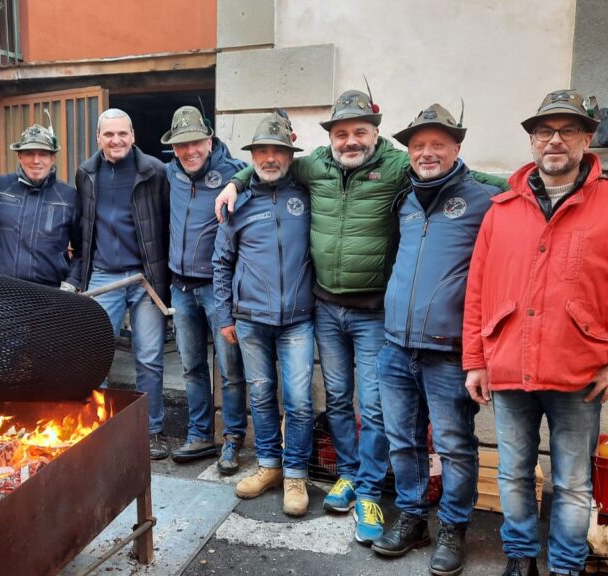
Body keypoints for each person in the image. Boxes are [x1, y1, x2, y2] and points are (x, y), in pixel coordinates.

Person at [216, 89, 504, 542]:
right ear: (330, 138)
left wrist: (527, 182)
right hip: (326, 309)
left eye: (360, 132)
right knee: (337, 399)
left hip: (373, 314)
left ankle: (368, 488)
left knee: (372, 406)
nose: (350, 141)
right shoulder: (314, 166)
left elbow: (460, 174)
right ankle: (349, 475)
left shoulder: (398, 166)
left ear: (376, 133)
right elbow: (272, 162)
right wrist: (237, 179)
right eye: (341, 133)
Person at [463, 89, 608, 576]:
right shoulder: (502, 209)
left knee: (574, 482)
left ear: (586, 139)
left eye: (567, 130)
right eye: (544, 131)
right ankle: (520, 558)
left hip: (580, 374)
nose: (554, 140)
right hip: (510, 367)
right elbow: (477, 290)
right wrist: (475, 359)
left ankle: (565, 565)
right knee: (514, 474)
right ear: (532, 141)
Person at [371, 104, 501, 576]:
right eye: (418, 145)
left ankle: (453, 527)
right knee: (403, 441)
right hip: (395, 346)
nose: (427, 153)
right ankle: (412, 518)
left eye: (438, 145)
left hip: (449, 352)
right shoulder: (403, 201)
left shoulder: (486, 201)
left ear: (457, 148)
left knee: (453, 445)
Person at [212, 111, 314, 517]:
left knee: (299, 401)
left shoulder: (307, 195)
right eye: (261, 151)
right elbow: (221, 263)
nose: (270, 158)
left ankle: (295, 474)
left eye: (277, 151)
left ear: (290, 155)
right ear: (252, 156)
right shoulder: (237, 202)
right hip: (250, 319)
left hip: (298, 319)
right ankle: (269, 465)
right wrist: (225, 316)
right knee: (260, 395)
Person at [67, 108, 172, 460]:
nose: (116, 140)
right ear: (98, 137)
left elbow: (168, 223)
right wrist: (78, 275)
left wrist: (165, 276)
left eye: (122, 133)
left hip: (145, 277)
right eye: (109, 134)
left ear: (133, 135)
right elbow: (82, 227)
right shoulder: (86, 173)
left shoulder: (154, 171)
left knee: (150, 358)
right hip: (104, 275)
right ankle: (99, 427)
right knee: (94, 356)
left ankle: (151, 430)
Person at [162, 106, 249, 473]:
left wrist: (237, 181)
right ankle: (199, 434)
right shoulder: (169, 173)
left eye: (196, 142)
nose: (189, 151)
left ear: (209, 141)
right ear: (174, 148)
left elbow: (258, 173)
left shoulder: (232, 172)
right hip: (180, 287)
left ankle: (232, 439)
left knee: (230, 368)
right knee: (191, 366)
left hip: (218, 289)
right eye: (182, 145)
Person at [0, 117, 81, 288]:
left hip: (49, 292)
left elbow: (82, 249)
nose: (36, 160)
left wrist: (71, 282)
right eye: (29, 153)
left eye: (43, 154)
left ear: (52, 158)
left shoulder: (68, 197)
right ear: (19, 156)